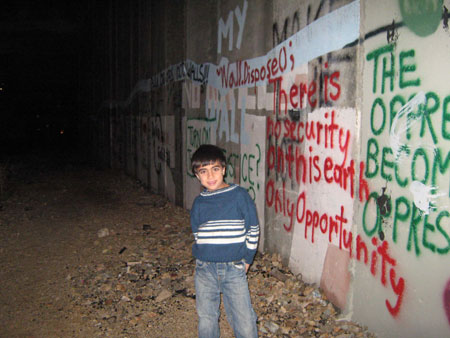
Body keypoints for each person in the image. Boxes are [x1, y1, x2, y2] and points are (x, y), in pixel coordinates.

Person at [190, 144, 259, 338]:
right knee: (207, 318)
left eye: (215, 169)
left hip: (234, 268)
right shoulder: (199, 202)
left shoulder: (239, 196)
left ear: (224, 170)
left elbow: (252, 229)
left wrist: (247, 259)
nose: (210, 176)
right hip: (204, 269)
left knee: (244, 320)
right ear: (197, 176)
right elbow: (197, 231)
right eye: (203, 171)